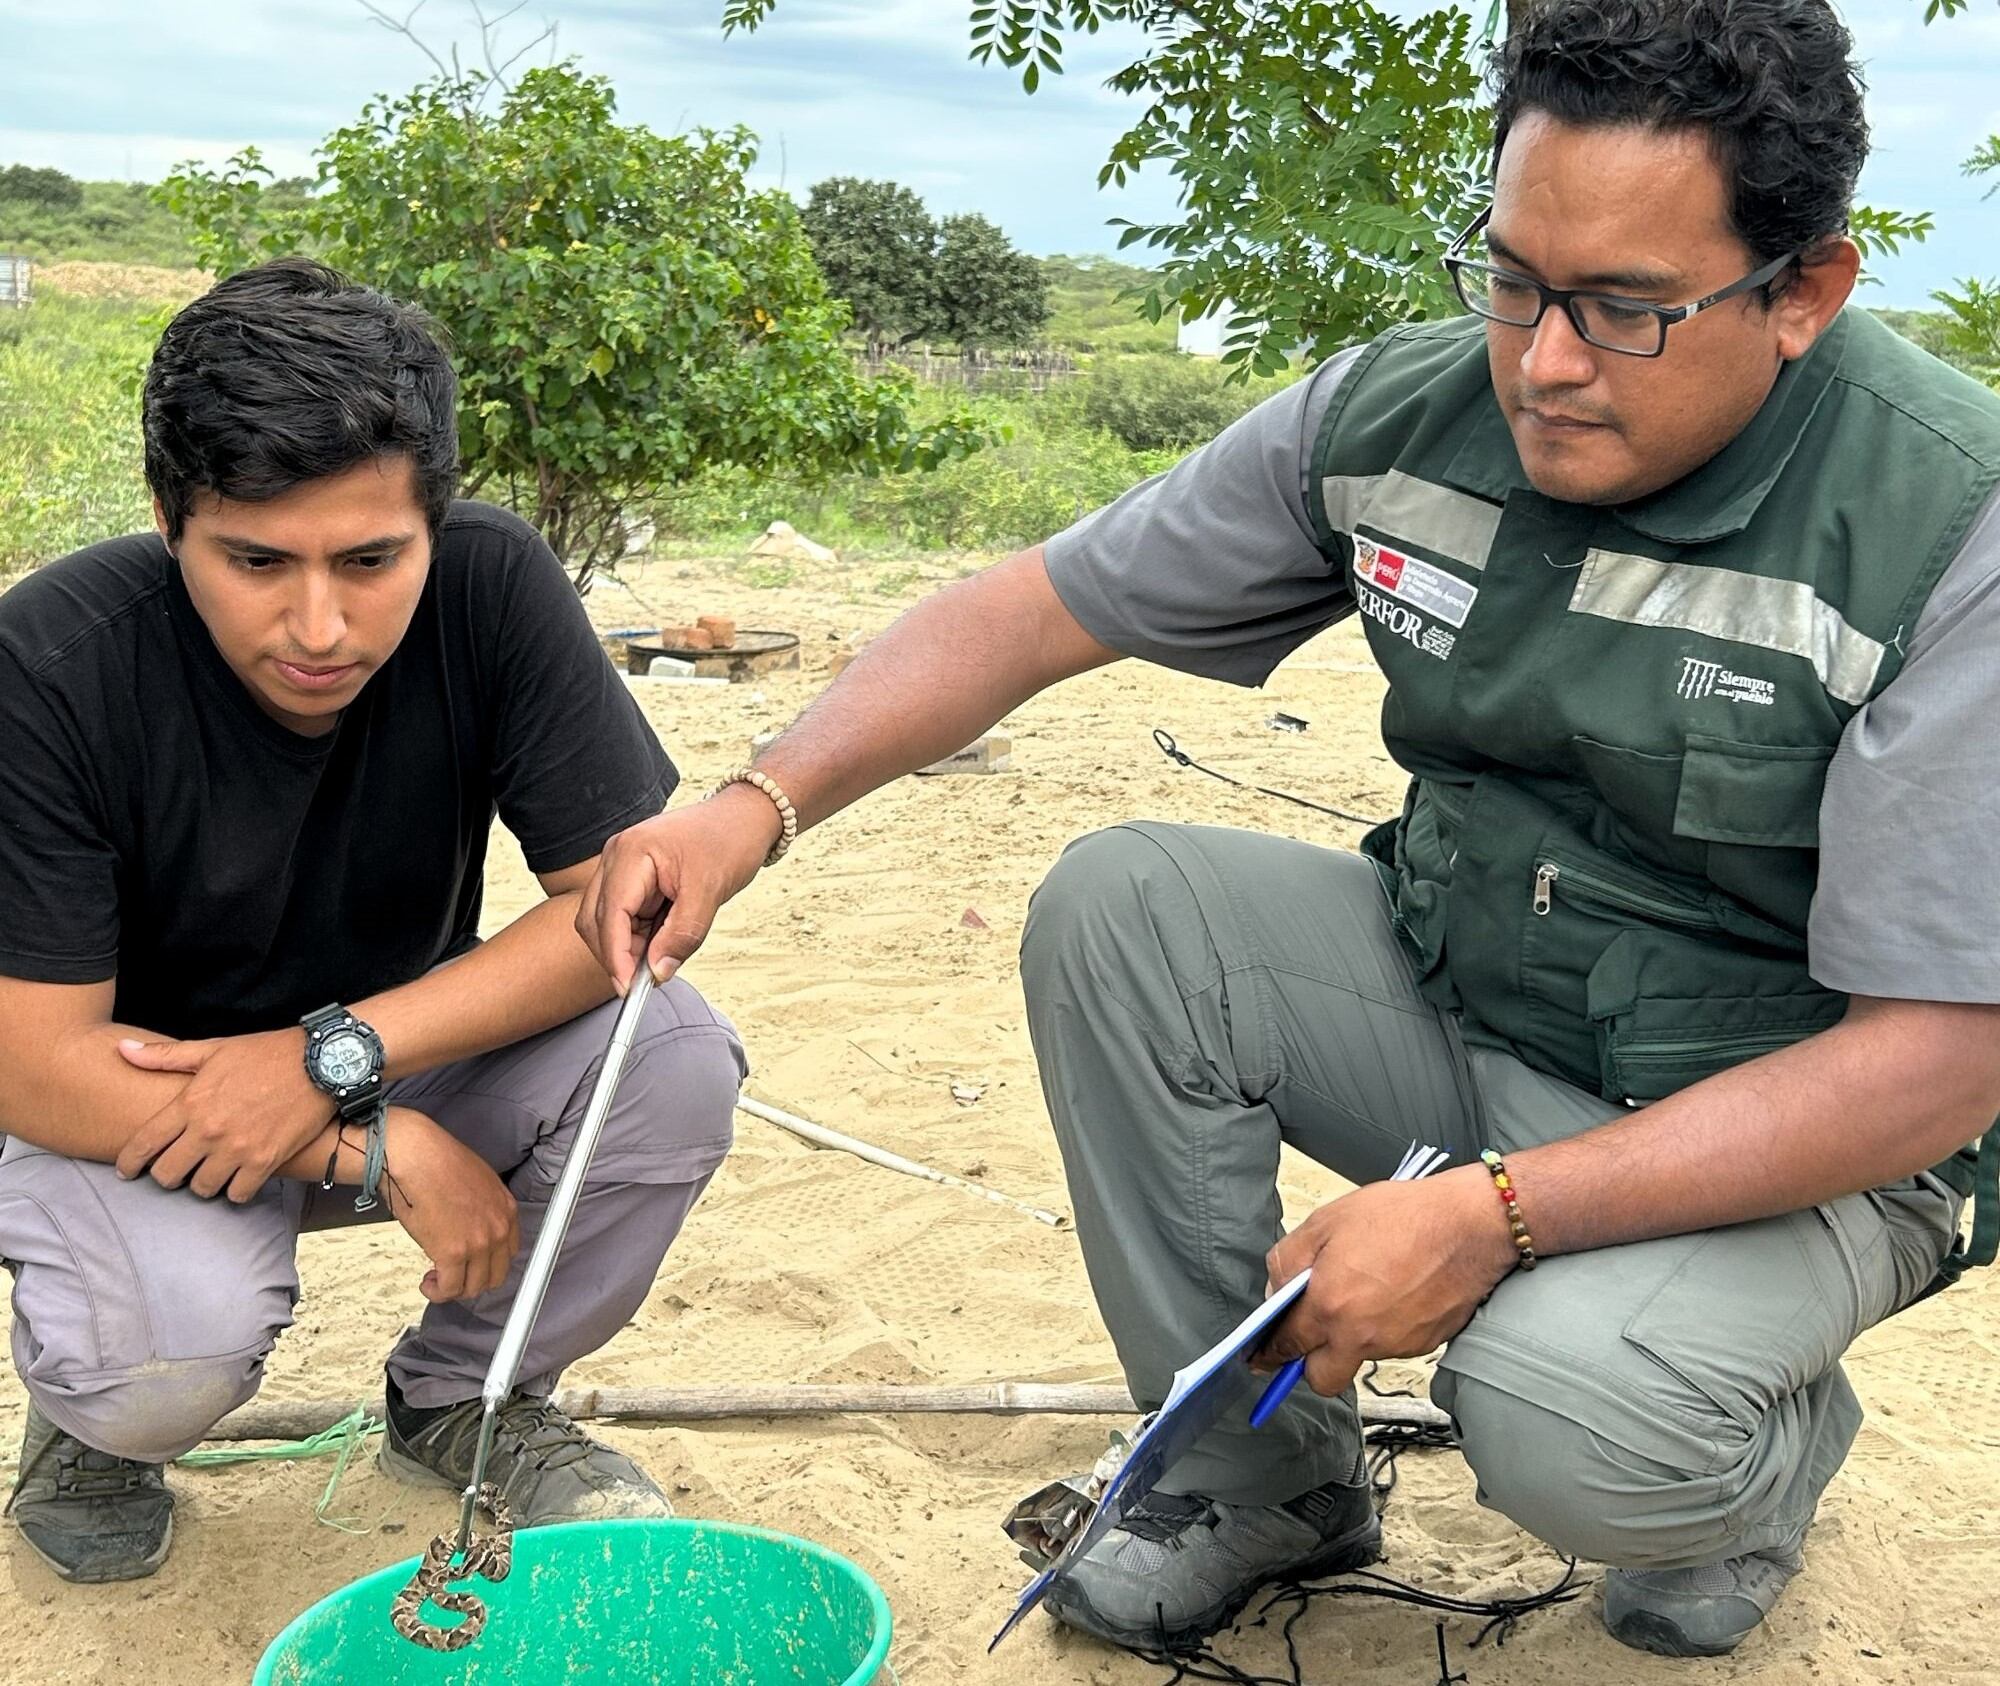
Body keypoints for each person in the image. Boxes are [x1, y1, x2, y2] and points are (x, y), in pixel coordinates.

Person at [576, 0, 2000, 1660]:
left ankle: (1758, 1466)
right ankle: (1261, 1474)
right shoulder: (1397, 420)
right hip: (1481, 1001)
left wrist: (1495, 1219)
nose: (1541, 361)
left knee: (1569, 1411)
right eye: (1516, 279)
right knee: (1131, 909)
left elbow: (1945, 1057)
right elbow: (1036, 608)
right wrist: (758, 801)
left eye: (1626, 311)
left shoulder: (1945, 534)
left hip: (1794, 1128)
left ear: (1805, 293)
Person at [0, 260, 747, 1586]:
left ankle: (465, 1393)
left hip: (380, 1046)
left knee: (672, 1049)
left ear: (435, 522)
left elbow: (608, 912)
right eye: (255, 561)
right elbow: (33, 1060)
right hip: (143, 1095)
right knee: (159, 1362)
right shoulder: (46, 667)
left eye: (370, 558)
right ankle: (86, 1429)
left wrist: (332, 1063)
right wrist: (378, 1145)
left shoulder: (495, 588)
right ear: (170, 519)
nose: (320, 626)